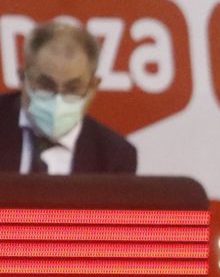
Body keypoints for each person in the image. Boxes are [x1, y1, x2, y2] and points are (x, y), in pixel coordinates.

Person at [0, 19, 134, 174]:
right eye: (46, 85)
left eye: (72, 89)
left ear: (93, 87)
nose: (58, 99)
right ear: (23, 79)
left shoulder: (115, 156)